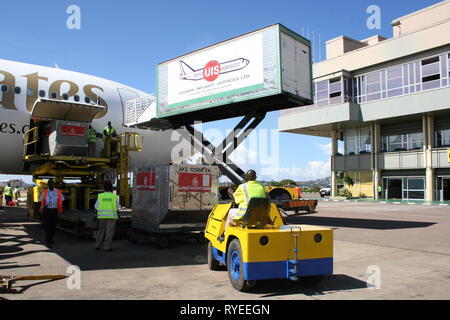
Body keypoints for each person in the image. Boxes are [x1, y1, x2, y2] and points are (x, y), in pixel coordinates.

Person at [219, 170, 266, 241]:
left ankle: (225, 234)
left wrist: (231, 192)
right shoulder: (262, 186)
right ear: (256, 177)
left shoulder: (242, 187)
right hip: (259, 216)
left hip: (246, 216)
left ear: (246, 177)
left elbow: (236, 200)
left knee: (231, 212)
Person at [94, 182, 120, 252]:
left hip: (101, 216)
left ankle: (97, 245)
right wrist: (118, 216)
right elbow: (117, 208)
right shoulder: (114, 197)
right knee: (109, 232)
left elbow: (96, 207)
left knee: (101, 231)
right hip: (112, 216)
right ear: (111, 188)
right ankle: (107, 247)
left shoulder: (100, 196)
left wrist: (96, 215)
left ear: (104, 188)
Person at [39, 179, 64, 248]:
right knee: (47, 226)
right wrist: (41, 209)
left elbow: (62, 201)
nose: (50, 185)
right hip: (47, 211)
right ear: (48, 185)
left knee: (53, 226)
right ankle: (48, 241)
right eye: (49, 184)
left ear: (53, 184)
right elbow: (40, 201)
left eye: (51, 184)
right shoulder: (45, 192)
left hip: (54, 211)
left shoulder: (58, 192)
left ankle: (51, 239)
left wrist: (61, 211)